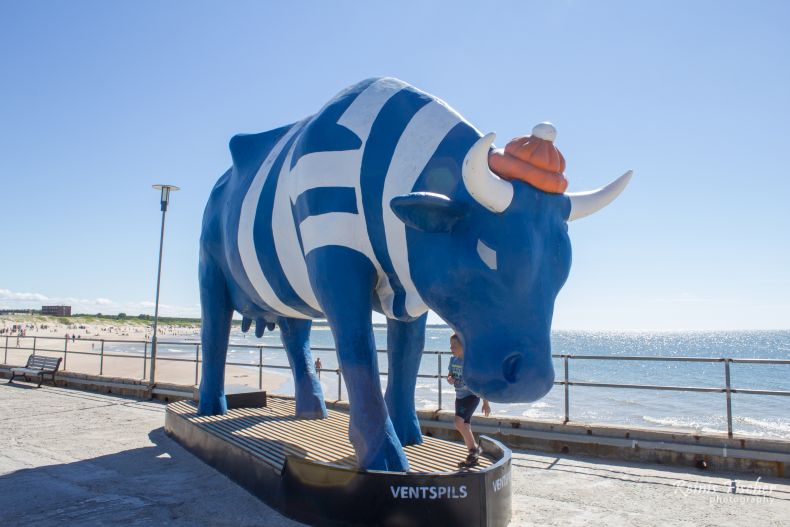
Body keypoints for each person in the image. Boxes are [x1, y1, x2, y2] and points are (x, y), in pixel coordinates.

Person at [447, 333, 490, 468]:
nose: (451, 348)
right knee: (465, 425)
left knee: (458, 422)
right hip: (459, 396)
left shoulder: (470, 362)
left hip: (471, 396)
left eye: (454, 346)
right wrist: (450, 379)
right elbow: (450, 375)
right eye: (450, 346)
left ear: (463, 347)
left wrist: (486, 402)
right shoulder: (453, 360)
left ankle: (474, 449)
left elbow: (481, 383)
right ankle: (473, 457)